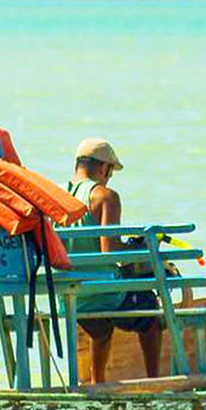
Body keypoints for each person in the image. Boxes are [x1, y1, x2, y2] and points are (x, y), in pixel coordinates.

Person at [64, 138, 161, 384]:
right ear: (104, 168)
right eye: (110, 172)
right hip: (104, 293)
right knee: (151, 311)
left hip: (69, 297)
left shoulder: (56, 196)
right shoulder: (106, 197)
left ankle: (99, 382)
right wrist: (136, 247)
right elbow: (110, 252)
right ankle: (155, 381)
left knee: (102, 330)